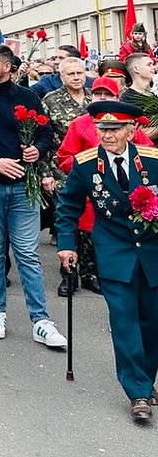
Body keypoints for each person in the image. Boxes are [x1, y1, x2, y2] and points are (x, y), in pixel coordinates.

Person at [0, 45, 67, 349]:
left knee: (28, 253)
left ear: (7, 66)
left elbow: (46, 135)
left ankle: (41, 320)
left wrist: (38, 150)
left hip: (23, 186)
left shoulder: (28, 97)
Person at [55, 100, 158, 423]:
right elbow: (68, 206)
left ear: (131, 130)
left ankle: (146, 377)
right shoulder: (86, 164)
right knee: (124, 321)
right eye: (103, 129)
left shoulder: (153, 161)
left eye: (115, 129)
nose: (108, 135)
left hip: (152, 252)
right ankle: (137, 390)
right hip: (114, 251)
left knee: (152, 322)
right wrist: (67, 245)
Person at [56, 78, 153, 296]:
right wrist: (89, 171)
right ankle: (75, 278)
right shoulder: (80, 126)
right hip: (94, 202)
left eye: (107, 93)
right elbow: (65, 160)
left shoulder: (138, 140)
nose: (108, 135)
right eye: (98, 93)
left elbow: (147, 157)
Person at [41, 57, 91, 295]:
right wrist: (45, 174)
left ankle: (90, 273)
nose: (76, 77)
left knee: (90, 223)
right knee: (67, 223)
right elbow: (43, 140)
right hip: (63, 169)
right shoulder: (51, 101)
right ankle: (69, 275)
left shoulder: (94, 98)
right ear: (61, 77)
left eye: (80, 72)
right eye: (70, 73)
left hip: (93, 170)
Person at [119, 53, 158, 141]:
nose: (154, 68)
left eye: (153, 64)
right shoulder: (127, 100)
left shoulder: (154, 93)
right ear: (136, 69)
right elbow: (132, 134)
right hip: (147, 152)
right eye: (149, 64)